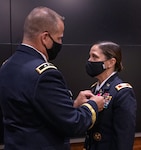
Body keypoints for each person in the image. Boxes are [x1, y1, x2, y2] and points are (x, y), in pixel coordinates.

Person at [0, 6, 105, 150]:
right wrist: (92, 105)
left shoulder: (7, 66)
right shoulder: (45, 74)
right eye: (59, 38)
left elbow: (34, 112)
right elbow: (72, 124)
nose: (60, 43)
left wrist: (73, 105)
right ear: (45, 37)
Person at [84, 41, 137, 150]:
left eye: (94, 57)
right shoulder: (94, 89)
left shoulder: (122, 92)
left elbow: (124, 137)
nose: (89, 60)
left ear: (111, 62)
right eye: (89, 56)